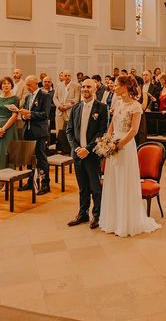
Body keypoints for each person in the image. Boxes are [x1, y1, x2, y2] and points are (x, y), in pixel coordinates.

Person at [99, 75, 161, 237]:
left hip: (125, 147)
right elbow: (112, 124)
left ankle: (126, 221)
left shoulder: (136, 107)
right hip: (113, 143)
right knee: (113, 180)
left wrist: (118, 145)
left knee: (124, 180)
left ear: (125, 87)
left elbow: (133, 131)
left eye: (117, 85)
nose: (114, 87)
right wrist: (107, 139)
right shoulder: (118, 103)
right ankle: (113, 220)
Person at [66, 78, 109, 228]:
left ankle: (97, 215)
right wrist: (77, 148)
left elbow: (102, 132)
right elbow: (69, 131)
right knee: (82, 187)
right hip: (77, 154)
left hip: (92, 154)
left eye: (88, 86)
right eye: (83, 86)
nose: (85, 89)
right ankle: (83, 213)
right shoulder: (76, 108)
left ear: (95, 88)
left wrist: (88, 149)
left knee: (95, 187)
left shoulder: (102, 108)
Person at [19, 76, 53, 195]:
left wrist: (30, 114)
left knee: (41, 158)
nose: (27, 87)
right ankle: (30, 180)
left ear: (35, 84)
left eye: (29, 84)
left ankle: (45, 183)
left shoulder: (45, 95)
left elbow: (45, 114)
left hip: (39, 132)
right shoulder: (28, 97)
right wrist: (24, 116)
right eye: (26, 84)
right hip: (28, 131)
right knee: (29, 158)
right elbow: (25, 112)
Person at [0, 77, 19, 190]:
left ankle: (8, 181)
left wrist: (3, 129)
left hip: (9, 128)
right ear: (0, 86)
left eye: (8, 84)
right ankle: (0, 181)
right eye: (3, 84)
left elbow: (14, 116)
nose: (5, 86)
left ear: (11, 85)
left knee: (6, 153)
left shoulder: (15, 98)